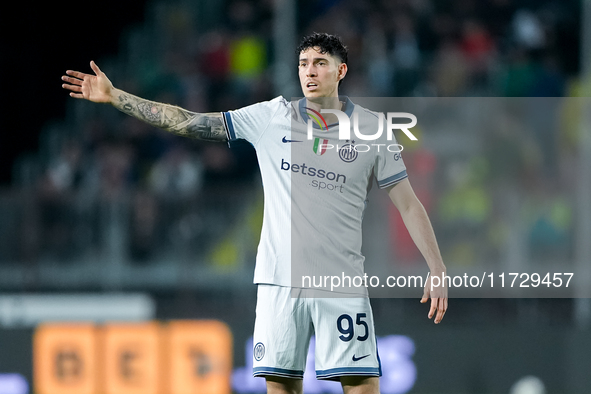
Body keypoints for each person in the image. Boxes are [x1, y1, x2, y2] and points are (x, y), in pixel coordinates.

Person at [62, 32, 447, 394]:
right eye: (303, 63)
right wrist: (117, 97)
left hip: (341, 282)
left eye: (320, 63)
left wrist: (437, 268)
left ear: (341, 71)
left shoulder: (373, 128)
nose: (309, 71)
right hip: (279, 281)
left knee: (363, 386)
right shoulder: (271, 116)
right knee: (280, 387)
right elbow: (191, 122)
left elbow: (408, 202)